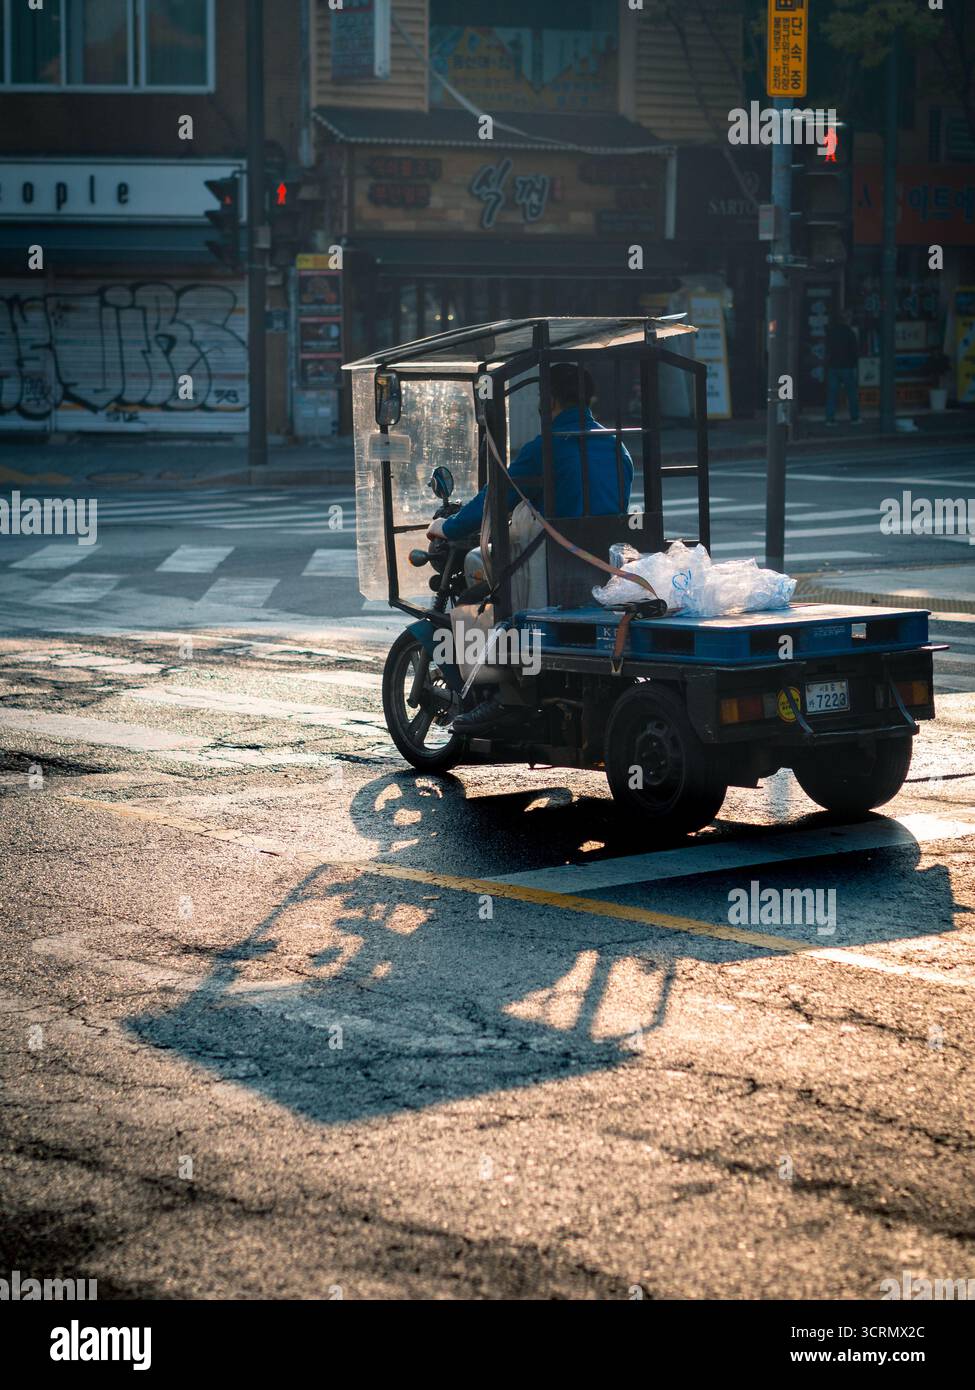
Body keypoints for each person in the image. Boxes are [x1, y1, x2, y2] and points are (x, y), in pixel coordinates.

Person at [425, 361, 633, 735]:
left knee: (476, 597)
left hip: (555, 568)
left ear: (549, 399)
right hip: (607, 569)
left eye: (541, 397)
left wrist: (448, 526)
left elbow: (496, 497)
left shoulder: (548, 447)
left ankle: (504, 695)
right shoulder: (618, 447)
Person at [824, 308, 861, 426]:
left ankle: (830, 419)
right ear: (848, 319)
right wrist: (855, 365)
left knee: (832, 394)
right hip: (847, 366)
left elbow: (827, 349)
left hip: (833, 366)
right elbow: (855, 352)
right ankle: (854, 418)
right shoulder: (850, 333)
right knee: (851, 394)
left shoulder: (831, 332)